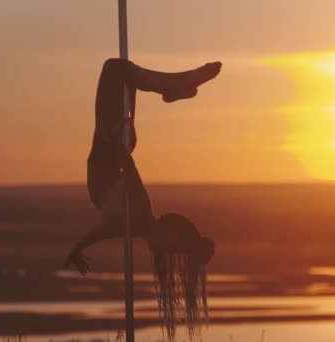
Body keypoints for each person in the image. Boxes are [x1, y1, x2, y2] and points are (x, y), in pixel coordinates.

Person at [64, 58, 221, 340]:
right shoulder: (139, 212)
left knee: (126, 75)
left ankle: (173, 89)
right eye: (165, 246)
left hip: (115, 144)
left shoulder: (131, 227)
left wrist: (77, 247)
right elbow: (129, 167)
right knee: (116, 68)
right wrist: (117, 141)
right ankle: (175, 84)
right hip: (110, 146)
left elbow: (101, 231)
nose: (156, 250)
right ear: (167, 232)